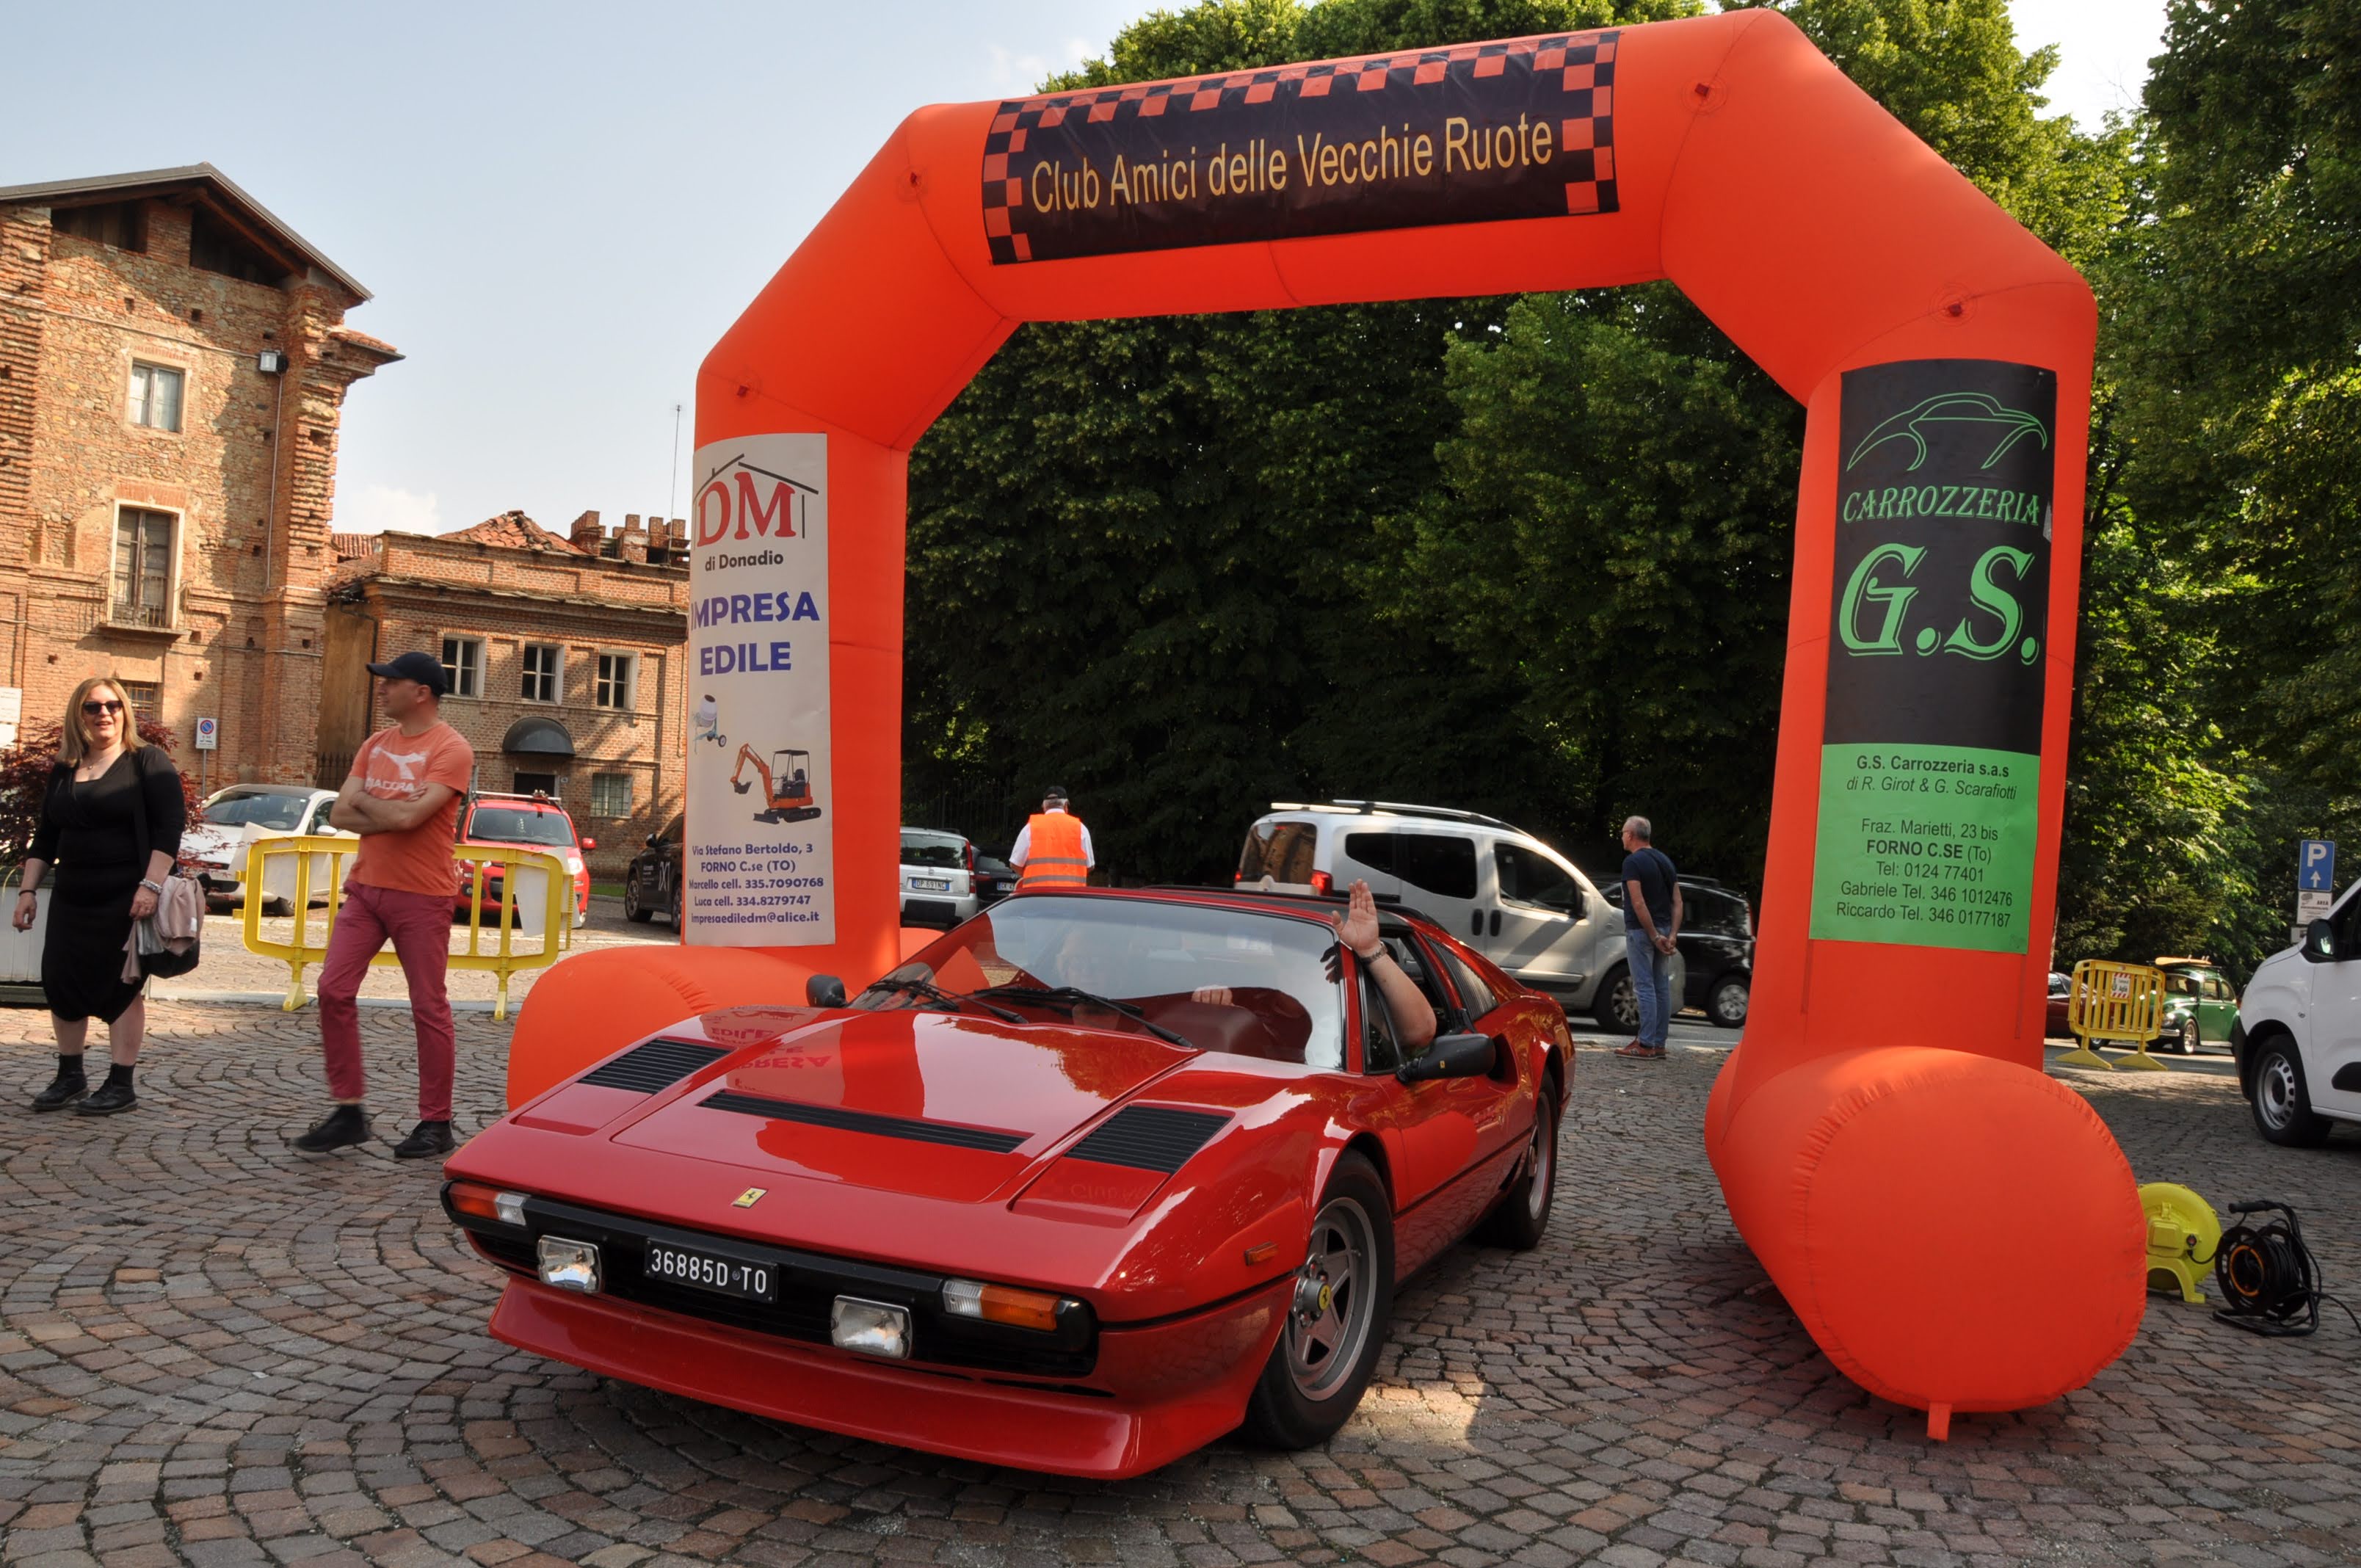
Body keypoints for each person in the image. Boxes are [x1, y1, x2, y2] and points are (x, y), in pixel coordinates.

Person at [293, 650, 474, 1158]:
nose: (382, 688)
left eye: (392, 681)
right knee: (332, 990)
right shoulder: (375, 744)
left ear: (421, 692)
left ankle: (436, 1123)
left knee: (428, 1006)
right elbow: (339, 814)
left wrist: (373, 805)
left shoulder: (452, 748)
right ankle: (349, 1111)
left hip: (424, 896)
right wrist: (390, 811)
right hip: (366, 889)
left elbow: (408, 819)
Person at [12, 678, 185, 1115]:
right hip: (72, 895)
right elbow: (46, 837)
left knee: (119, 986)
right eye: (93, 707)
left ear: (125, 710)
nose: (104, 713)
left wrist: (151, 885)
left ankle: (121, 1084)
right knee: (61, 980)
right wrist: (28, 890)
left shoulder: (147, 760)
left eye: (113, 705)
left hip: (125, 896)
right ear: (80, 715)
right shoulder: (65, 767)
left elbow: (169, 828)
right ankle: (70, 1076)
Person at [1616, 816, 1681, 1060]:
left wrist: (1654, 936)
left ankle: (1645, 1043)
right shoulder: (1665, 861)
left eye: (1623, 832)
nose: (1622, 836)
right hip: (1664, 929)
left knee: (1644, 986)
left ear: (1631, 835)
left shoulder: (1632, 862)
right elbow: (1678, 901)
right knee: (1661, 986)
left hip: (1641, 931)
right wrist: (1671, 935)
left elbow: (1638, 902)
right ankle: (1658, 1042)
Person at [1010, 785, 1094, 890]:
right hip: (1071, 896)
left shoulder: (1030, 828)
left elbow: (1015, 864)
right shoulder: (1080, 828)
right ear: (1066, 805)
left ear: (1044, 806)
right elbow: (1090, 866)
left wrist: (1032, 877)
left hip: (1038, 895)